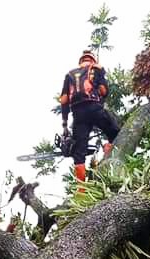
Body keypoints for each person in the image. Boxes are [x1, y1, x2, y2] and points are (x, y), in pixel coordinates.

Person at [59, 49, 120, 185]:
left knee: (78, 152)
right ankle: (108, 152)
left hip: (78, 113)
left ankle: (81, 188)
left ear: (81, 61)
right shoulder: (96, 68)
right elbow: (104, 91)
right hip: (94, 108)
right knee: (115, 132)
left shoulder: (69, 74)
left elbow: (63, 100)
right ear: (92, 60)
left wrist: (64, 125)